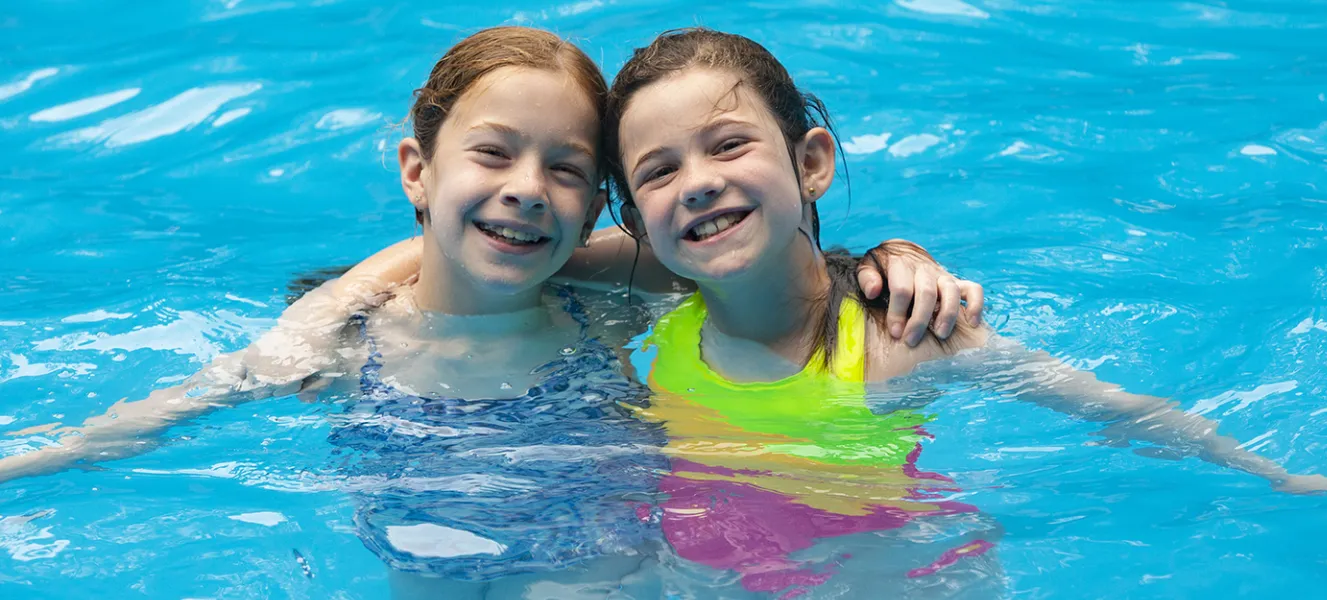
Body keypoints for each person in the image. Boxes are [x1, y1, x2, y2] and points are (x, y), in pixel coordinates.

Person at [0, 26, 982, 598]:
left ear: (600, 210)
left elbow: (753, 253)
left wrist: (894, 261)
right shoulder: (341, 341)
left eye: (564, 171)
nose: (526, 190)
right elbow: (155, 421)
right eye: (494, 155)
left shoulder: (604, 305)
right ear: (416, 171)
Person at [595, 27, 1327, 596]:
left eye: (729, 143)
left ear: (812, 163)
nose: (697, 180)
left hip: (897, 574)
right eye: (659, 171)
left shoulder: (905, 335)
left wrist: (1289, 481)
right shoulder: (643, 319)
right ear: (635, 222)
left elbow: (1114, 411)